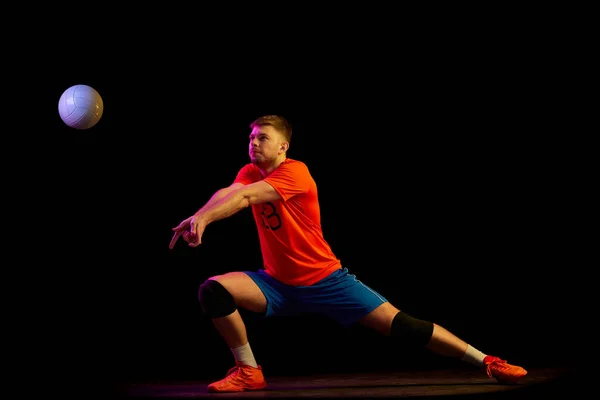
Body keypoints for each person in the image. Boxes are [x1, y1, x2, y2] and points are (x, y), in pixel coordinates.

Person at [169, 115, 527, 393]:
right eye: (251, 138)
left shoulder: (296, 173)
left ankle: (488, 361)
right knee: (214, 289)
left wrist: (205, 218)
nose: (254, 143)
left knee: (405, 326)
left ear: (283, 147)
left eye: (263, 138)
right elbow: (229, 192)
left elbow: (244, 198)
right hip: (276, 284)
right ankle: (249, 371)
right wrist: (200, 216)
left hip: (327, 281)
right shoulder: (249, 171)